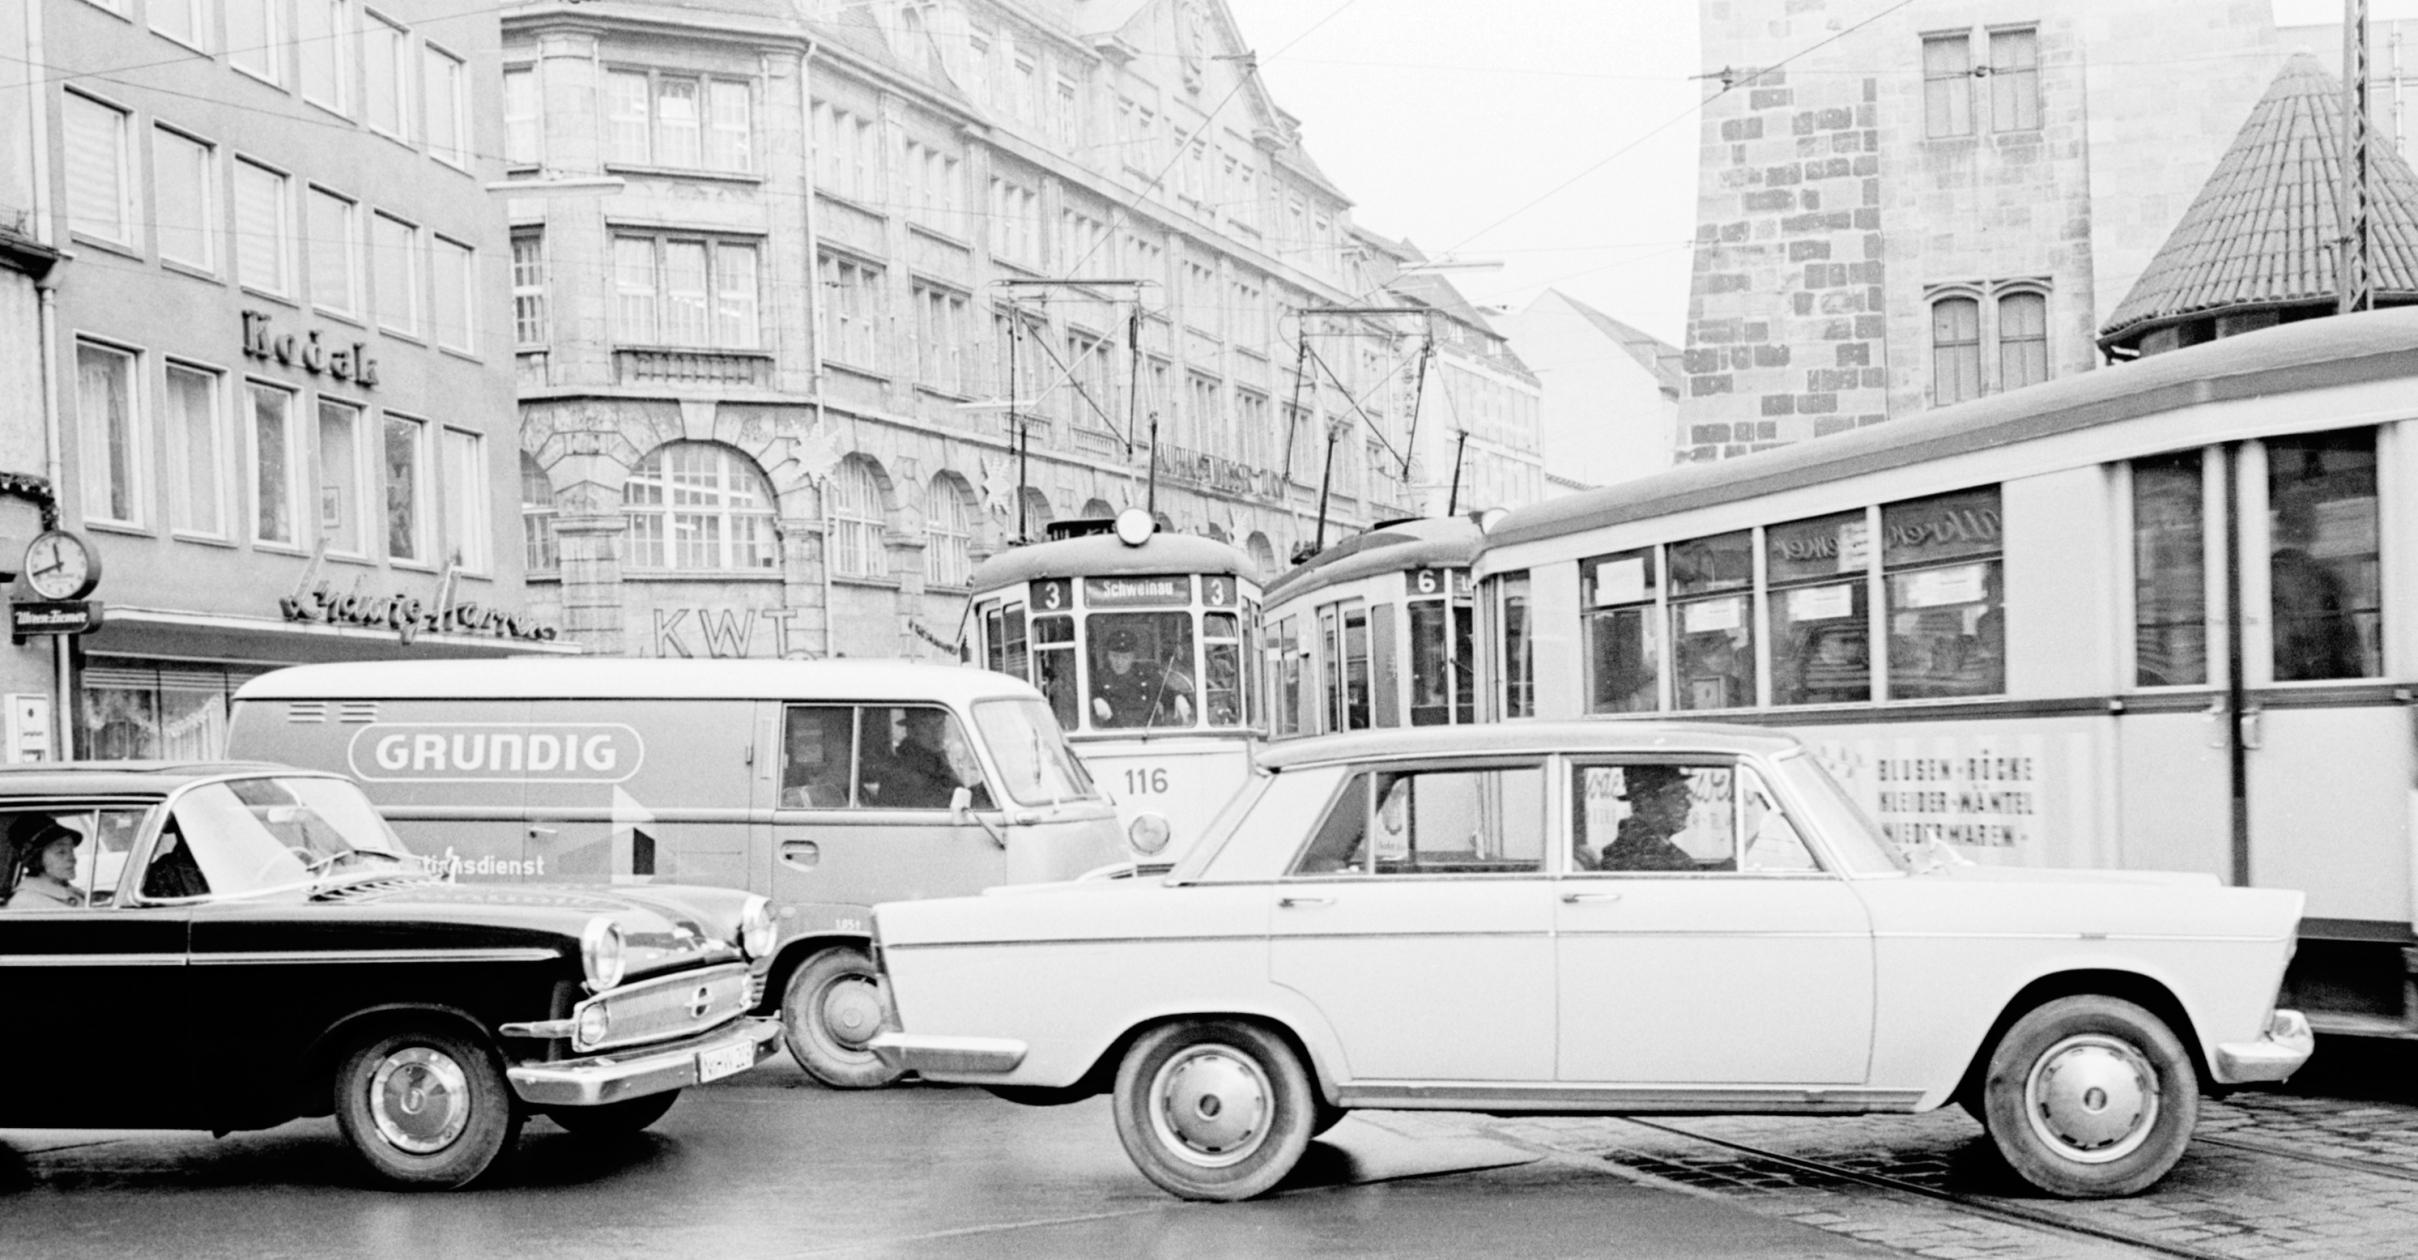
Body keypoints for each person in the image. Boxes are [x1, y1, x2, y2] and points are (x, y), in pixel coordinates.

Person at [867, 709, 986, 810]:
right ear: (911, 730)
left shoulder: (935, 760)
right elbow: (947, 806)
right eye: (926, 725)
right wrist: (982, 793)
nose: (936, 733)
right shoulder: (904, 770)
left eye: (940, 724)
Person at [1593, 765, 1699, 873]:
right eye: (1676, 794)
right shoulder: (1636, 857)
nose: (1688, 804)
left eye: (1686, 794)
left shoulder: (1650, 849)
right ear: (1647, 802)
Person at [1090, 628, 1193, 728]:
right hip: (1114, 738)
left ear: (1133, 657)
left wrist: (1178, 697)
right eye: (1115, 656)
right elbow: (1084, 702)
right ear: (1108, 656)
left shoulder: (1148, 675)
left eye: (1125, 657)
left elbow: (1166, 693)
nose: (1119, 662)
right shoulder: (1099, 677)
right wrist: (1095, 700)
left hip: (1148, 736)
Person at [5, 821, 85, 909]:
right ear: (37, 859)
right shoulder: (26, 902)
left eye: (71, 850)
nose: (73, 859)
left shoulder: (69, 892)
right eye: (61, 852)